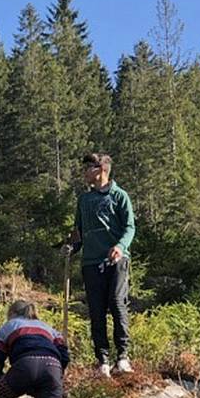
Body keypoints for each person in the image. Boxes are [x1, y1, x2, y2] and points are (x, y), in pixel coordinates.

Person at [63, 153, 135, 378]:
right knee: (96, 311)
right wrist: (72, 248)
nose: (84, 172)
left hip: (117, 260)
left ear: (101, 169)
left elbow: (130, 227)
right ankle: (102, 360)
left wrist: (120, 246)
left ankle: (122, 357)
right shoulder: (84, 200)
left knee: (116, 302)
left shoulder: (120, 196)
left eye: (88, 168)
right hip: (91, 262)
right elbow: (79, 232)